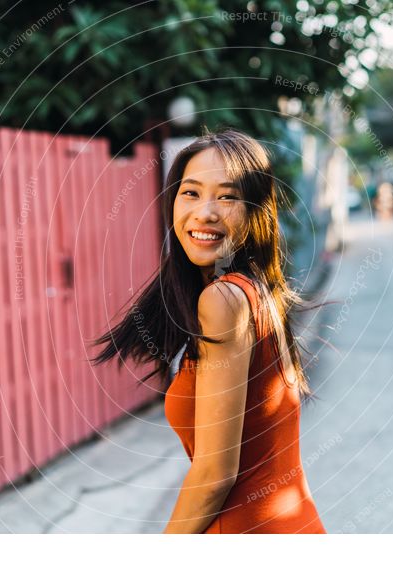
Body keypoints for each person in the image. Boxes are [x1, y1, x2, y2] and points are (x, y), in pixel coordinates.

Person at [91, 128, 327, 534]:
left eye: (228, 196)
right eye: (191, 193)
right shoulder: (257, 292)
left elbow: (215, 476)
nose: (205, 212)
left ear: (256, 211)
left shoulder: (224, 301)